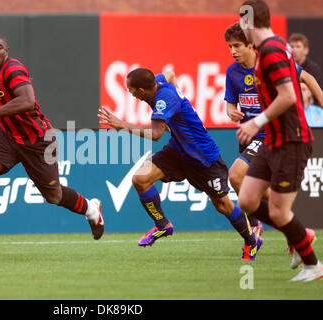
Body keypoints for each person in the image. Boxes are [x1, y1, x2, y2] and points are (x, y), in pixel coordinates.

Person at [0, 33, 104, 255]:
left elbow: (27, 102)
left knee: (53, 196)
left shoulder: (13, 69)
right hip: (8, 137)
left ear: (7, 50)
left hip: (38, 140)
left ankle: (92, 210)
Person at [98, 67, 262, 261]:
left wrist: (122, 125)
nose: (130, 93)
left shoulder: (164, 99)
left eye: (131, 90)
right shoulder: (158, 83)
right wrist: (180, 104)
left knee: (222, 205)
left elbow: (156, 134)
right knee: (140, 179)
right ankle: (163, 225)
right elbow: (169, 73)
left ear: (141, 91)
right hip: (178, 151)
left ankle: (251, 241)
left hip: (203, 158)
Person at [223, 22, 323, 265]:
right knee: (257, 196)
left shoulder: (267, 63)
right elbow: (230, 102)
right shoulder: (232, 71)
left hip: (268, 135)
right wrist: (231, 111)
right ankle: (296, 230)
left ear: (250, 44)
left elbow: (306, 76)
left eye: (237, 46)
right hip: (249, 134)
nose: (233, 51)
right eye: (229, 47)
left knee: (236, 176)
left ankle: (257, 227)